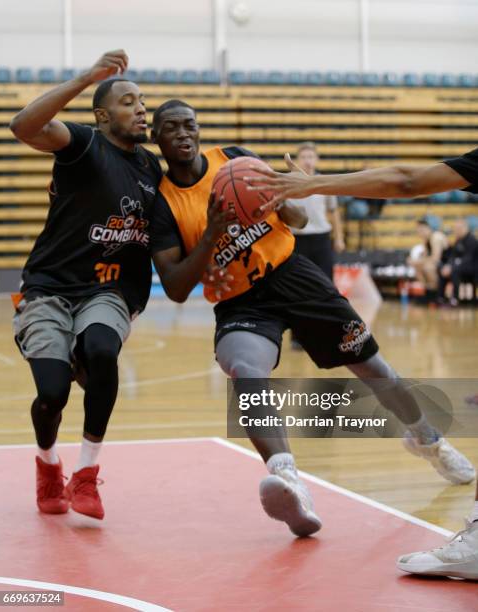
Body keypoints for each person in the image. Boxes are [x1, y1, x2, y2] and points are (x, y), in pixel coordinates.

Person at [149, 99, 474, 539]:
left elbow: (298, 217)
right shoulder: (164, 203)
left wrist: (274, 200)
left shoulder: (234, 161)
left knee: (373, 368)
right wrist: (211, 233)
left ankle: (428, 439)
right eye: (171, 128)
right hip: (242, 301)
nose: (184, 133)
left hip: (294, 274)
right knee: (245, 372)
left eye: (190, 124)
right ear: (158, 139)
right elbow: (174, 286)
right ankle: (288, 479)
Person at [244, 147, 478, 577]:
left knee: (377, 367)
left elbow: (408, 180)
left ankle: (437, 455)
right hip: (261, 283)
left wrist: (314, 184)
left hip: (303, 268)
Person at [9, 50, 162, 520]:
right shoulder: (81, 144)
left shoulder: (152, 170)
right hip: (50, 288)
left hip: (109, 291)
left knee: (99, 350)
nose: (141, 109)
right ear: (102, 115)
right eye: (128, 101)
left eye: (142, 101)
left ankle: (87, 474)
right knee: (52, 394)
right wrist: (86, 77)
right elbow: (22, 127)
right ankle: (48, 462)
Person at [287, 142, 345, 280]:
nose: (307, 160)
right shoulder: (287, 183)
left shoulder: (324, 183)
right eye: (304, 157)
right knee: (299, 280)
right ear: (298, 160)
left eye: (311, 157)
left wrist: (339, 238)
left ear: (317, 159)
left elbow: (334, 212)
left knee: (326, 279)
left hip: (321, 237)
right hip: (297, 239)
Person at [438, 218, 478, 306]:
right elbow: (452, 256)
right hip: (460, 268)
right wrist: (448, 265)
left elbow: (468, 259)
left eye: (458, 229)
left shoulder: (472, 240)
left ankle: (455, 298)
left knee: (454, 271)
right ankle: (441, 298)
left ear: (465, 228)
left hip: (472, 269)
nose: (456, 231)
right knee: (442, 269)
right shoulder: (458, 240)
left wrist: (452, 267)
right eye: (455, 229)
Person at [407, 217, 447, 302]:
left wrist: (417, 261)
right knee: (417, 267)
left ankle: (438, 294)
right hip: (437, 263)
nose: (419, 232)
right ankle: (428, 292)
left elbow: (436, 258)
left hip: (446, 263)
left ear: (427, 228)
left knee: (428, 267)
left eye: (421, 230)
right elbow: (425, 257)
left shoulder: (436, 237)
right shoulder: (426, 240)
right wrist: (415, 262)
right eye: (418, 230)